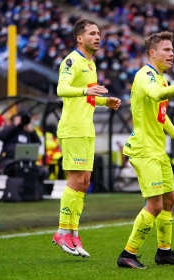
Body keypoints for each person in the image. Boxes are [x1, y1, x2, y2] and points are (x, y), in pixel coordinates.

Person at [116, 31, 174, 269]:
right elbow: (157, 95)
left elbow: (161, 115)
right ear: (152, 53)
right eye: (166, 49)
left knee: (169, 200)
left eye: (173, 50)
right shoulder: (145, 76)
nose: (171, 53)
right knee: (154, 205)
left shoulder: (161, 78)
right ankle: (127, 254)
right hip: (144, 151)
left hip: (157, 150)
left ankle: (164, 252)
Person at [52, 19, 121, 258]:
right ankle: (61, 232)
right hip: (73, 128)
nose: (98, 37)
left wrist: (105, 100)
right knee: (75, 180)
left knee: (84, 181)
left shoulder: (91, 65)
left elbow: (89, 97)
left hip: (87, 128)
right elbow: (62, 89)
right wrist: (86, 90)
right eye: (92, 33)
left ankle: (73, 233)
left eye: (99, 33)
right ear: (80, 38)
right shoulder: (71, 60)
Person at [0, 110, 48, 182]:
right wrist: (15, 125)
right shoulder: (11, 129)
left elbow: (38, 143)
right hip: (10, 161)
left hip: (26, 162)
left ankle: (36, 191)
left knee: (43, 171)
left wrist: (31, 132)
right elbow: (1, 136)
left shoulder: (28, 132)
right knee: (17, 169)